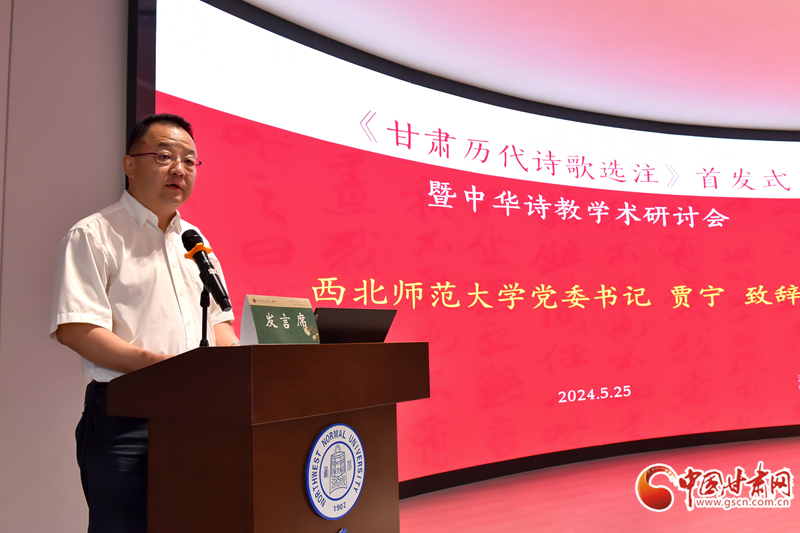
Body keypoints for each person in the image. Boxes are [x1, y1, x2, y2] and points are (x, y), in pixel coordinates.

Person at [50, 113, 239, 532]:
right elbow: (77, 329)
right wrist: (164, 368)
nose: (179, 169)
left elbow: (221, 326)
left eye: (189, 161)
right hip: (127, 420)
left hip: (201, 416)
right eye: (165, 156)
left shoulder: (197, 244)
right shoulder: (95, 234)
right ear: (130, 165)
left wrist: (236, 372)